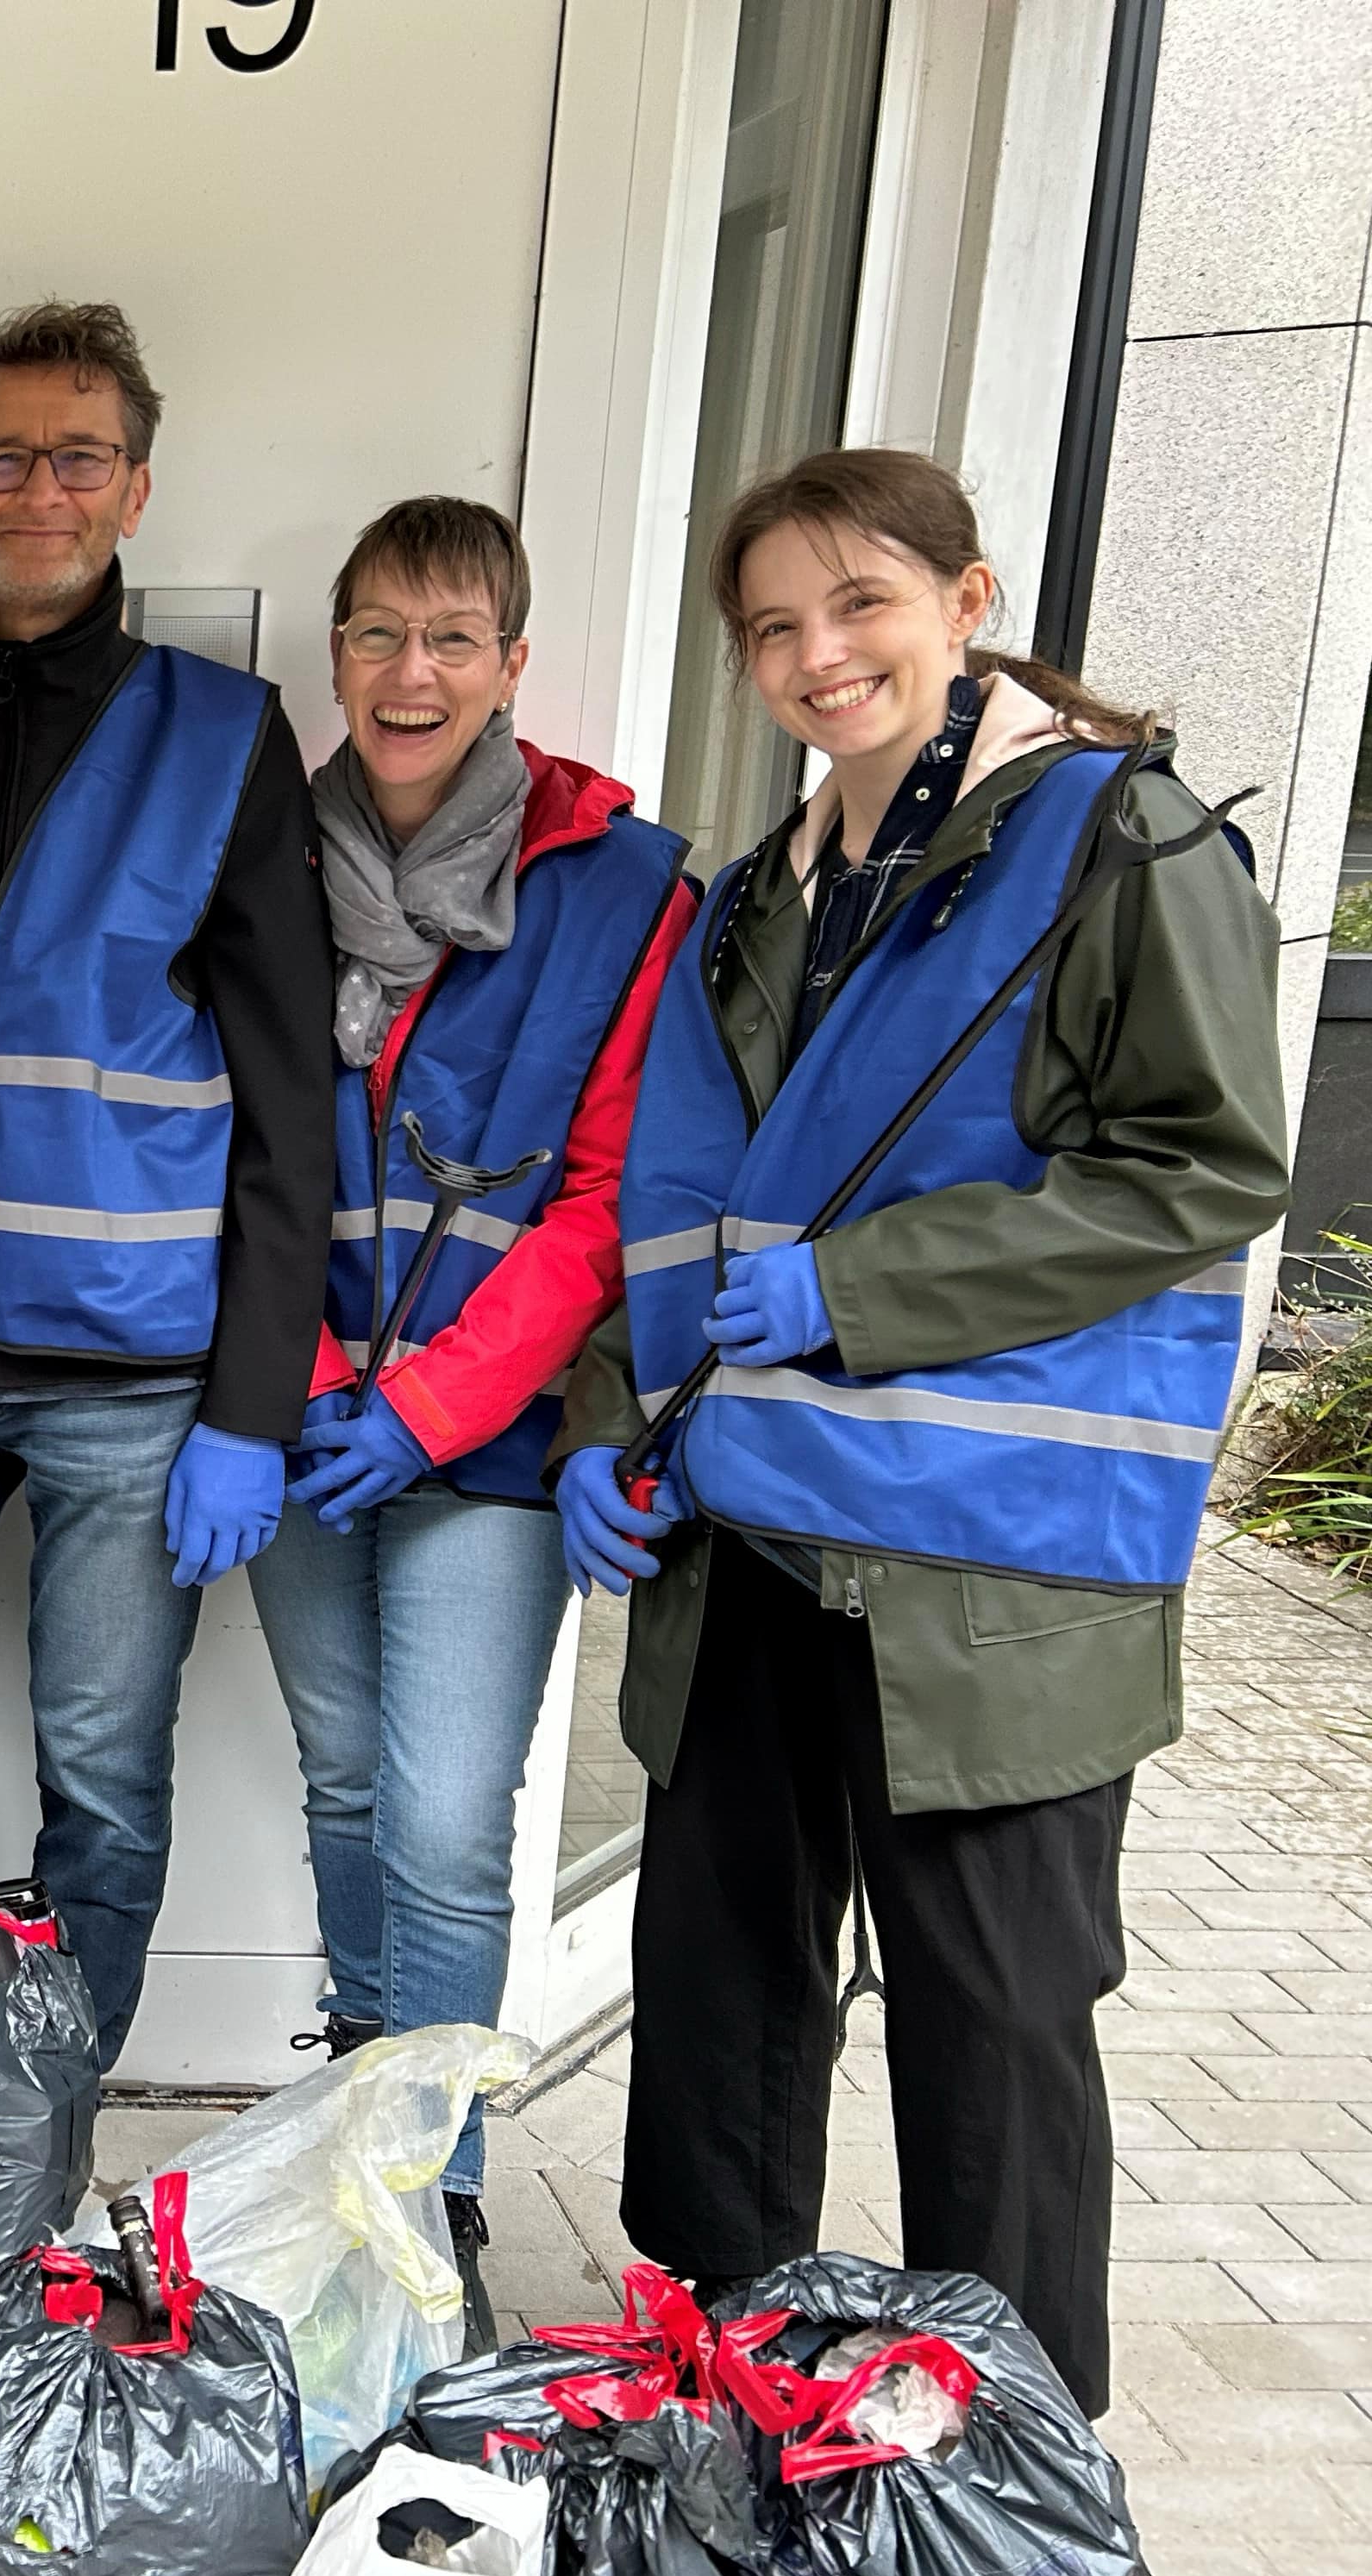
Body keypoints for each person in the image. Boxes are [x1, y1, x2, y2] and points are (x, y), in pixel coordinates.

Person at [554, 448, 1286, 2418]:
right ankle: (720, 2380)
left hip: (989, 1562)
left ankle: (1012, 2447)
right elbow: (683, 1212)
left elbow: (1204, 1169)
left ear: (968, 602)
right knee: (724, 1992)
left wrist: (864, 1292)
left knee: (995, 2018)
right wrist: (609, 1429)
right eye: (773, 627)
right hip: (749, 1533)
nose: (818, 655)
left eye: (860, 603)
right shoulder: (759, 899)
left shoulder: (1124, 846)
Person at [0, 299, 335, 2062]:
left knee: (102, 1775)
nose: (42, 490)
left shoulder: (225, 737)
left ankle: (42, 2110)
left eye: (79, 457)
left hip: (133, 1370)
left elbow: (290, 1095)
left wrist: (252, 1410)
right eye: (6, 458)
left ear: (135, 489)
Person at [242, 497, 694, 2350]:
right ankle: (364, 2122)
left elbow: (605, 1197)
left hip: (490, 1441)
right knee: (346, 1789)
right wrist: (301, 1382)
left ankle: (431, 2197)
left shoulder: (627, 884)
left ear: (513, 663)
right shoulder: (260, 859)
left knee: (441, 1822)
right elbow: (219, 1145)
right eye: (376, 634)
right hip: (293, 1416)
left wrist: (429, 1406)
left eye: (450, 639)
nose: (409, 673)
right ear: (335, 654)